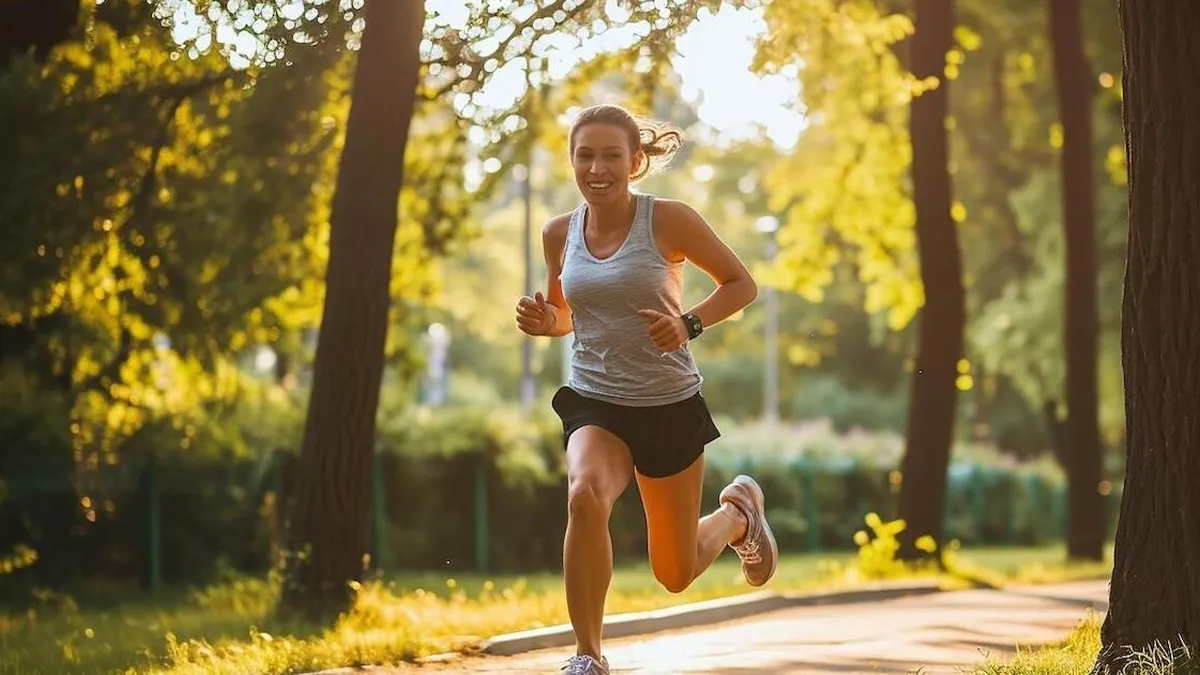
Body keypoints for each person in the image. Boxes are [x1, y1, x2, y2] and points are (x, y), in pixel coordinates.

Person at [514, 103, 778, 675]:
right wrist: (546, 323)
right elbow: (566, 314)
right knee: (584, 494)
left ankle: (737, 514)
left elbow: (741, 284)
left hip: (668, 405)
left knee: (674, 573)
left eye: (611, 155)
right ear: (572, 161)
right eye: (585, 155)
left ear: (635, 161)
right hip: (596, 401)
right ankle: (588, 656)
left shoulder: (669, 220)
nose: (597, 167)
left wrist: (689, 325)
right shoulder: (559, 232)